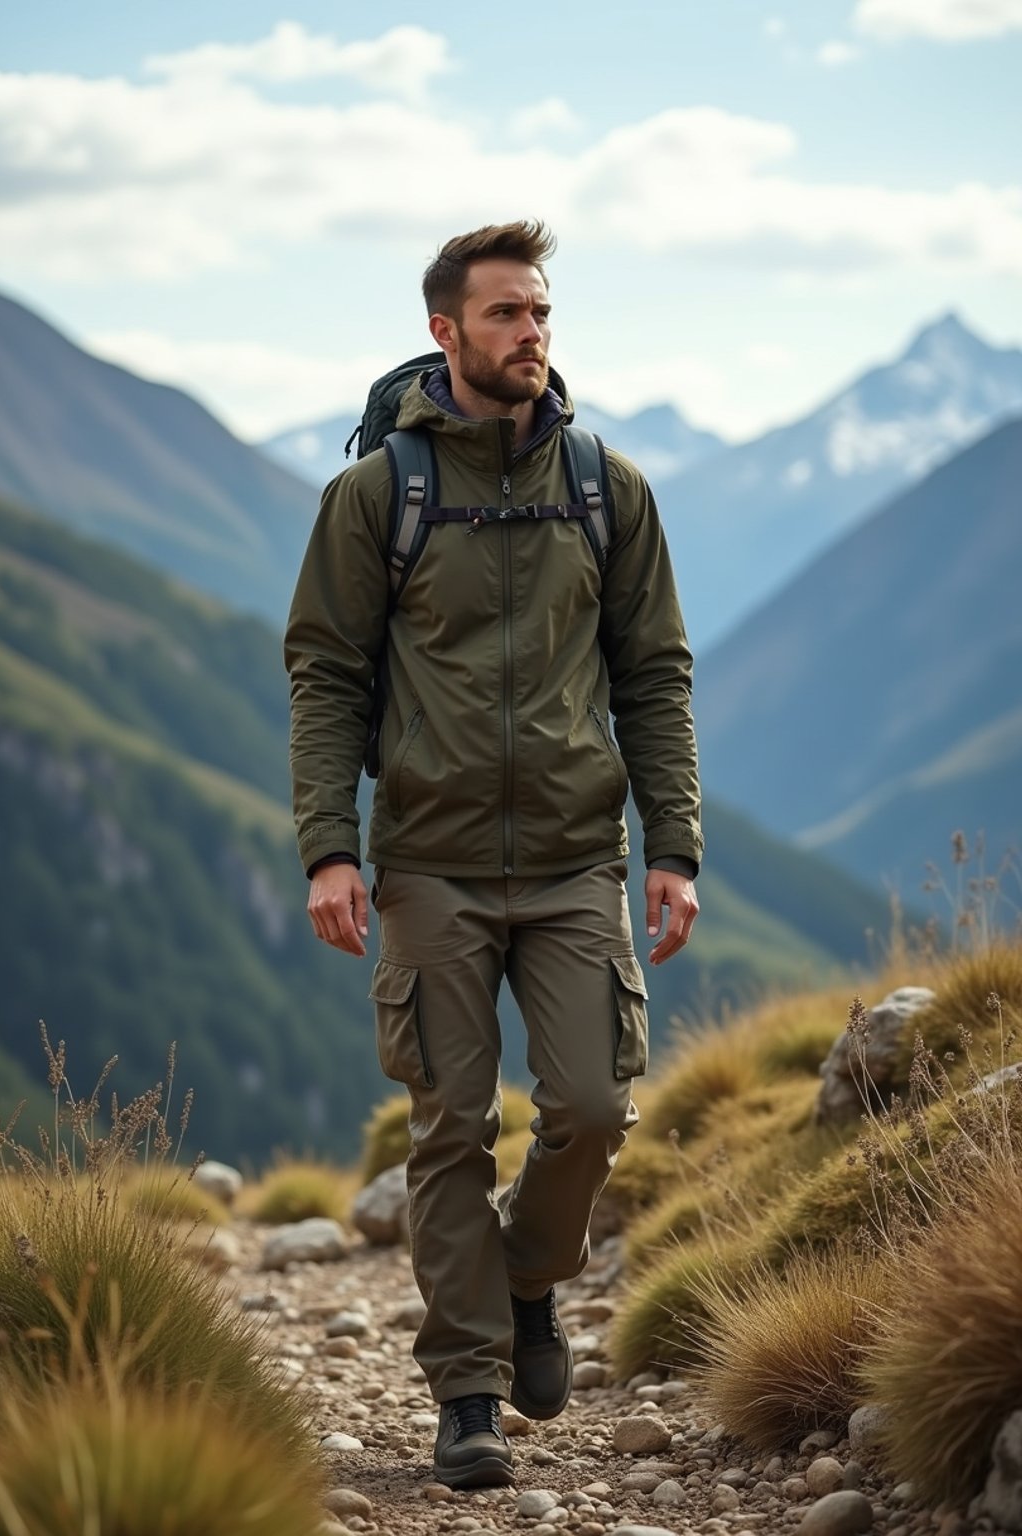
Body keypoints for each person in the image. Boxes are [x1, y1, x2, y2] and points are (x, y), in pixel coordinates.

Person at [284, 220, 703, 1489]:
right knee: (449, 1128)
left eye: (541, 314)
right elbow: (324, 676)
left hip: (577, 859)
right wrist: (330, 850)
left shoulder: (606, 487)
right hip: (427, 864)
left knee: (587, 1108)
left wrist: (670, 844)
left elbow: (655, 673)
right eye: (507, 314)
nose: (531, 334)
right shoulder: (378, 496)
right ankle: (464, 1392)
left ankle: (527, 1281)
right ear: (444, 331)